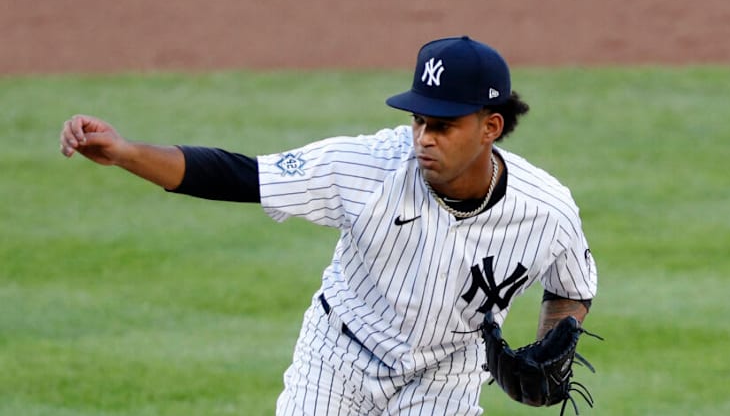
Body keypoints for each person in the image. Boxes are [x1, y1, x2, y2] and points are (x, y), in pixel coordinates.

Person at [60, 36, 597, 415]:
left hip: (444, 378)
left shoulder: (547, 209)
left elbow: (571, 287)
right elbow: (242, 176)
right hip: (339, 355)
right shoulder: (369, 167)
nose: (423, 138)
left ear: (490, 127)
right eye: (418, 120)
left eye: (443, 125)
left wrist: (555, 341)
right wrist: (127, 153)